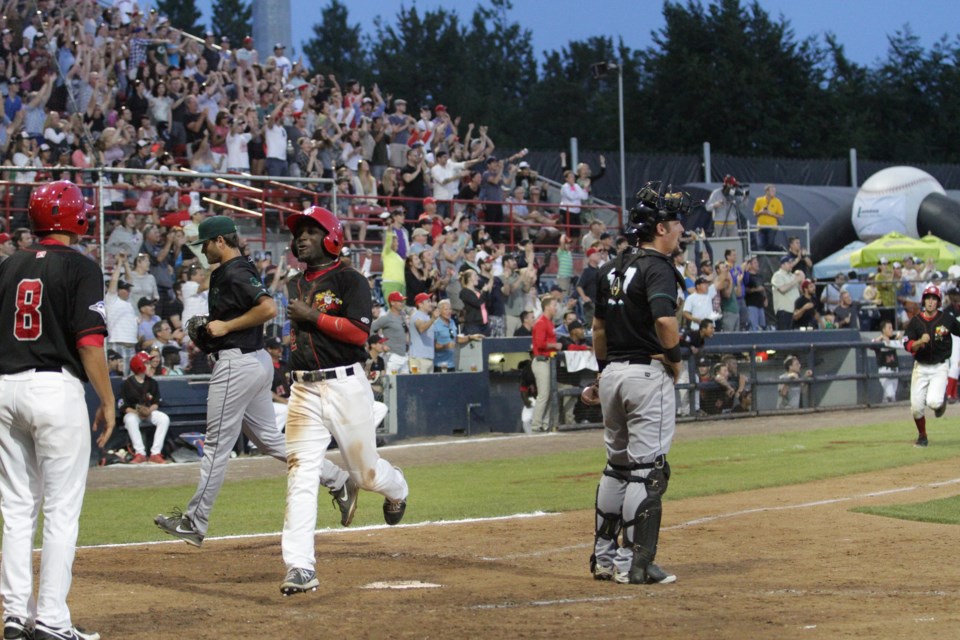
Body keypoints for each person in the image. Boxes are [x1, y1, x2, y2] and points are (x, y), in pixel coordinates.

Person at [155, 216, 356, 548]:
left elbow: (266, 309)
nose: (202, 251)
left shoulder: (236, 270)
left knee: (217, 445)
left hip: (239, 362)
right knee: (270, 442)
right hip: (251, 361)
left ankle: (194, 521)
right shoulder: (230, 270)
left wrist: (225, 327)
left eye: (204, 244)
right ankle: (338, 480)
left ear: (220, 240)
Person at [0, 181, 115, 640]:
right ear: (76, 218)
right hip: (54, 388)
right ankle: (50, 619)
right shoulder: (81, 267)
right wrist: (106, 398)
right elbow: (89, 341)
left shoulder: (8, 266)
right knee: (62, 510)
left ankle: (14, 615)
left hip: (5, 387)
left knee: (16, 509)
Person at [280, 206, 409, 596]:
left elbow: (358, 334)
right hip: (303, 389)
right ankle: (300, 566)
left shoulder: (351, 279)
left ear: (332, 237)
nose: (301, 238)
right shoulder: (292, 283)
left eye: (311, 232)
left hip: (345, 386)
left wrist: (313, 317)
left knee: (365, 476)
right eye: (298, 233)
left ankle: (398, 488)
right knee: (301, 473)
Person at [590, 182, 685, 585]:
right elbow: (664, 320)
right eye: (676, 221)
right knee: (647, 471)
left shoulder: (611, 267)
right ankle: (637, 564)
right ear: (660, 228)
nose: (681, 227)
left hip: (612, 372)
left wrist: (603, 370)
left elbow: (597, 329)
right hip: (647, 373)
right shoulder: (657, 266)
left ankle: (605, 558)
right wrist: (676, 360)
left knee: (617, 467)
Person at [903, 285, 960, 447]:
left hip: (939, 367)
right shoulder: (916, 321)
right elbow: (907, 345)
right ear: (923, 300)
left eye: (934, 299)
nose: (930, 301)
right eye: (928, 298)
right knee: (915, 408)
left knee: (934, 403)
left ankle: (941, 401)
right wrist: (920, 341)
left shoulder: (947, 319)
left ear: (939, 302)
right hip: (920, 367)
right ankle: (922, 436)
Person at [120, 351, 170, 464]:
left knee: (163, 418)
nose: (150, 365)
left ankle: (155, 453)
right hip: (134, 414)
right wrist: (137, 412)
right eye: (147, 363)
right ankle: (140, 453)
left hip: (148, 413)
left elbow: (156, 402)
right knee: (129, 419)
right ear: (139, 366)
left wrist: (149, 410)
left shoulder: (152, 382)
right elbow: (123, 406)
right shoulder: (127, 384)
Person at [530, 294, 562, 432]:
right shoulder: (541, 322)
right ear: (547, 307)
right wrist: (555, 345)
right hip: (541, 361)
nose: (556, 308)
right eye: (554, 306)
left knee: (550, 394)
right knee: (543, 395)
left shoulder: (549, 322)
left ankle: (545, 424)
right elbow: (540, 343)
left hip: (549, 362)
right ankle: (536, 425)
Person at [873, 320, 903, 403]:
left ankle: (884, 412)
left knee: (889, 397)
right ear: (883, 330)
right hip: (884, 371)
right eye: (889, 328)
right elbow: (871, 345)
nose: (891, 330)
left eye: (892, 328)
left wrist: (900, 337)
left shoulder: (893, 339)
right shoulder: (879, 341)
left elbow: (903, 342)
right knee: (890, 395)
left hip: (895, 370)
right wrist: (881, 337)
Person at [408, 293, 436, 374]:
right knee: (419, 385)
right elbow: (421, 328)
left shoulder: (427, 317)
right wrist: (433, 319)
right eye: (428, 301)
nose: (430, 304)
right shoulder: (416, 315)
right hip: (419, 358)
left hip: (428, 357)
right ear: (420, 304)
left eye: (430, 301)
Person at [752, 184, 783, 250]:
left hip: (772, 226)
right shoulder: (759, 200)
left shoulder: (777, 201)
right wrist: (761, 212)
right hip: (761, 226)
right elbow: (755, 214)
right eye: (772, 191)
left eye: (774, 191)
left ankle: (779, 248)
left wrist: (770, 213)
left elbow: (781, 215)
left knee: (770, 244)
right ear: (767, 191)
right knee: (760, 244)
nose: (774, 192)